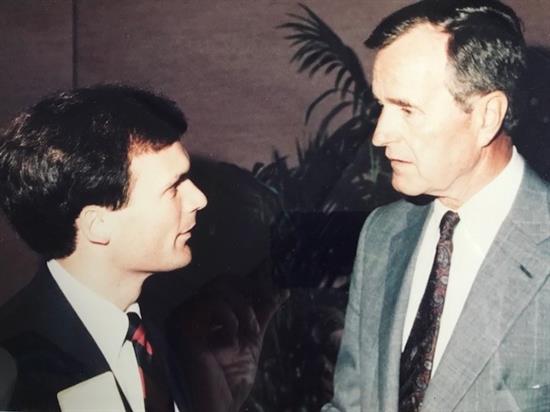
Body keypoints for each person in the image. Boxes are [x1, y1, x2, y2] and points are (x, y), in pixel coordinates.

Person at [323, 1, 550, 411]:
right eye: (382, 107)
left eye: (407, 109)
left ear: (487, 116)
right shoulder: (381, 234)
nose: (380, 135)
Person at [0, 84, 207, 411]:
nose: (199, 199)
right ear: (98, 225)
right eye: (173, 187)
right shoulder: (12, 369)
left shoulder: (163, 335)